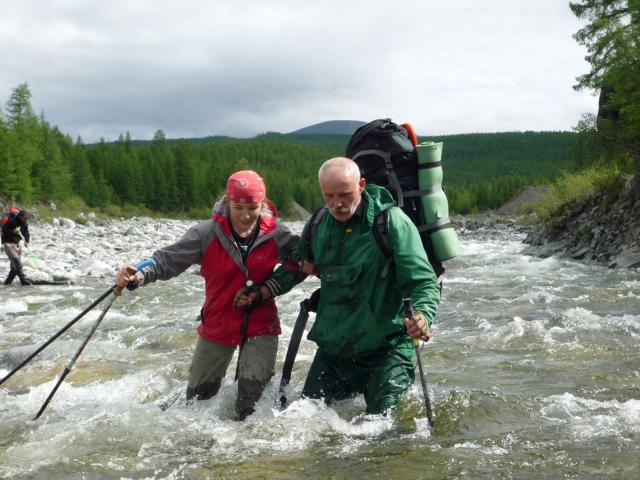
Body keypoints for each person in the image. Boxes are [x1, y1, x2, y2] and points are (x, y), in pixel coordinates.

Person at [237, 157, 440, 415]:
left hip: (387, 350)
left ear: (362, 185)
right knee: (304, 419)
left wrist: (422, 316)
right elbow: (298, 265)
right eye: (329, 195)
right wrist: (261, 292)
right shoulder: (319, 223)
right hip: (334, 352)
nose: (337, 204)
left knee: (382, 430)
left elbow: (423, 281)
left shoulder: (390, 223)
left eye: (345, 194)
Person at [114, 170, 303, 420]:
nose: (246, 216)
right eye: (238, 207)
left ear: (263, 205)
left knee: (253, 409)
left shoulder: (276, 233)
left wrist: (268, 289)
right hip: (217, 324)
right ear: (227, 202)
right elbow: (166, 260)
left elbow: (301, 260)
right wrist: (137, 275)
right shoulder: (206, 233)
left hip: (261, 325)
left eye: (253, 207)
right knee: (196, 406)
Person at [2, 208, 33, 286]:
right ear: (20, 216)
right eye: (25, 217)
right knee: (17, 262)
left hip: (16, 245)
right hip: (8, 244)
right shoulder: (12, 221)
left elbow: (26, 232)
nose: (26, 219)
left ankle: (7, 283)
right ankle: (24, 281)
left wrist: (27, 241)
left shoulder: (24, 223)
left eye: (27, 218)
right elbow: (4, 230)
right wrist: (12, 231)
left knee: (13, 267)